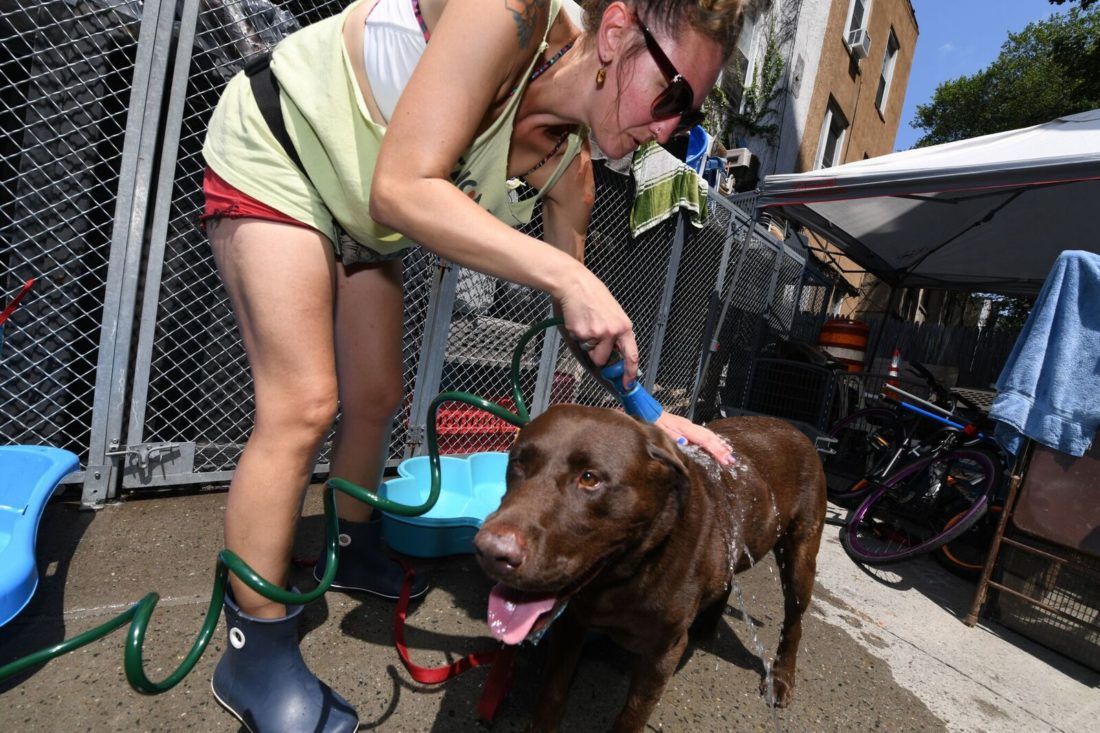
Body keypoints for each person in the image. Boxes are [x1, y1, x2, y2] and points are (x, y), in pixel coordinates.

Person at [200, 0, 743, 730]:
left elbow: (579, 320)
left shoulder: (568, 166)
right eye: (672, 94)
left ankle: (352, 541)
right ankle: (252, 649)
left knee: (378, 394)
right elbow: (403, 186)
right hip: (285, 149)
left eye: (690, 116)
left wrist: (651, 415)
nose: (669, 128)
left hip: (359, 217)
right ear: (616, 33)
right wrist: (568, 277)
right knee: (303, 403)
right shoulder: (510, 11)